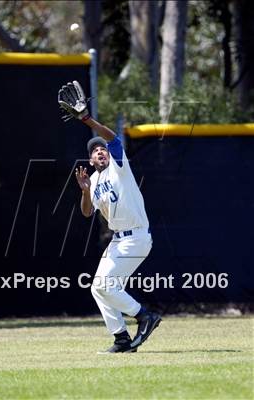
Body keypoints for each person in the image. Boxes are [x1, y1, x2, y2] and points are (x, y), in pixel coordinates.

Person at [58, 81, 161, 353]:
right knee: (97, 289)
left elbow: (113, 139)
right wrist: (84, 191)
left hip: (137, 236)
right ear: (90, 159)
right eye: (94, 150)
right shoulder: (92, 179)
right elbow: (87, 212)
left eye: (101, 148)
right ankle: (122, 338)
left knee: (105, 285)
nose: (100, 151)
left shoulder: (118, 165)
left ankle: (144, 316)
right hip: (118, 241)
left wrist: (87, 119)